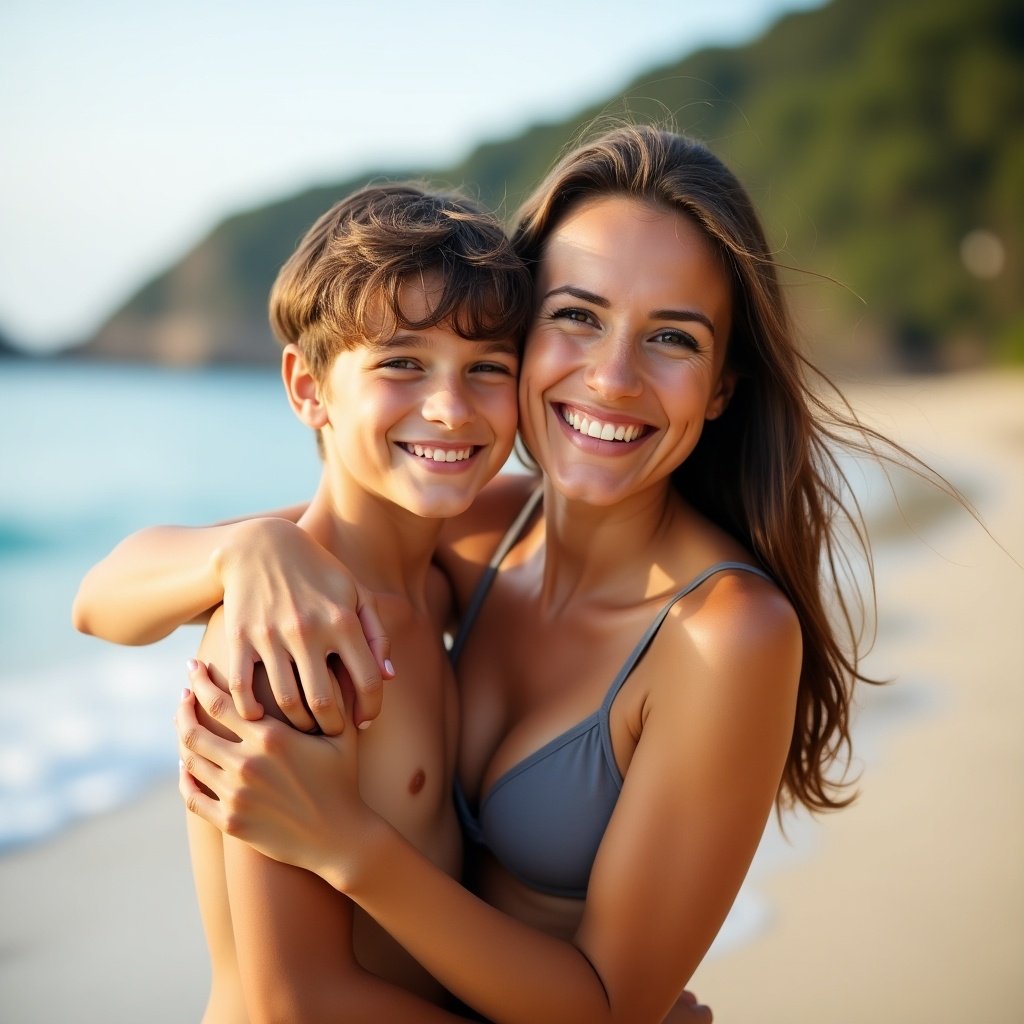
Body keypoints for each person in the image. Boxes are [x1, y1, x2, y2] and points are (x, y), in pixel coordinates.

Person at [79, 122, 905, 1022]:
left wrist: (351, 845)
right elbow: (107, 593)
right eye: (578, 316)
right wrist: (245, 550)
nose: (614, 378)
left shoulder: (724, 634)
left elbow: (605, 1006)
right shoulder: (459, 536)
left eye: (671, 338)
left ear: (720, 388)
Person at [77, 181, 533, 1021]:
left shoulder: (436, 578)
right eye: (402, 362)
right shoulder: (294, 635)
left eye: (487, 368)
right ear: (308, 387)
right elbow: (302, 1002)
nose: (450, 406)